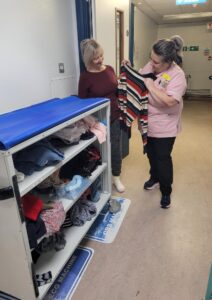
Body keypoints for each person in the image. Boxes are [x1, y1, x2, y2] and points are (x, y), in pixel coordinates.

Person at [122, 37, 187, 208]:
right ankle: (154, 178)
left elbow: (169, 101)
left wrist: (150, 86)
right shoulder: (153, 64)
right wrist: (129, 68)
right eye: (151, 58)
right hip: (147, 123)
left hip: (165, 126)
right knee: (150, 153)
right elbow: (140, 77)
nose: (152, 63)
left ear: (168, 62)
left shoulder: (177, 76)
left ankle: (166, 191)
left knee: (162, 158)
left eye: (156, 62)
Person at [78, 38, 125, 193]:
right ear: (88, 59)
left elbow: (118, 90)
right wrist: (89, 122)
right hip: (98, 121)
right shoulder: (85, 77)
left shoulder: (110, 69)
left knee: (115, 148)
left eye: (101, 56)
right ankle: (99, 178)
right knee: (100, 149)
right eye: (96, 58)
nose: (100, 60)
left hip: (114, 116)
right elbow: (82, 102)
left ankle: (116, 177)